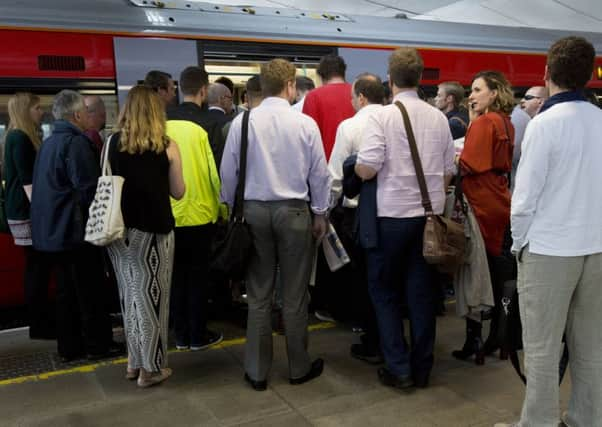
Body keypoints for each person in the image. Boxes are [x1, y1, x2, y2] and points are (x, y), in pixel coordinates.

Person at [497, 36, 602, 427]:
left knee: (541, 350)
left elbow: (524, 199)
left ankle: (537, 423)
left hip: (549, 251)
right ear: (589, 76)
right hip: (597, 248)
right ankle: (586, 420)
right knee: (591, 348)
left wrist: (518, 245)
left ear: (547, 73)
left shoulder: (544, 124)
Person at [220, 58, 330, 391]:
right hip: (295, 213)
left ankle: (256, 372)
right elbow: (319, 174)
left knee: (258, 295)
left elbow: (228, 174)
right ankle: (298, 368)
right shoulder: (305, 124)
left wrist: (231, 207)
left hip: (253, 214)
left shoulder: (242, 122)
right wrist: (320, 212)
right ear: (290, 86)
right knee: (295, 296)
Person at [355, 48, 455, 389]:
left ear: (391, 78)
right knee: (421, 294)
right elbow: (446, 174)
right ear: (421, 76)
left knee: (384, 292)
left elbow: (367, 168)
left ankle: (398, 367)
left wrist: (356, 166)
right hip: (427, 221)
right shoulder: (439, 118)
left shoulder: (381, 117)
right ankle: (423, 368)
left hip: (390, 220)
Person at [31, 90, 120, 362]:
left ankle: (69, 347)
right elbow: (89, 190)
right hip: (75, 233)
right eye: (84, 110)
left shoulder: (48, 143)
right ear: (77, 114)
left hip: (53, 234)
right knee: (89, 291)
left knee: (66, 293)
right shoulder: (76, 143)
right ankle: (98, 345)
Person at [106, 85, 185, 387]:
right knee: (154, 299)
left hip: (118, 233)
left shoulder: (111, 142)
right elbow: (178, 191)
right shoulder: (166, 144)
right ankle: (150, 370)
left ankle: (133, 363)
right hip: (154, 233)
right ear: (157, 112)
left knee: (130, 297)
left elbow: (105, 182)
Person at [452, 71, 515, 364]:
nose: (472, 95)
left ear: (494, 93)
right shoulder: (506, 122)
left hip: (479, 203)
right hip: (499, 198)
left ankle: (473, 339)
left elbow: (469, 163)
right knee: (498, 274)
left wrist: (455, 158)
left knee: (474, 272)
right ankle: (497, 337)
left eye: (477, 89)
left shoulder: (484, 123)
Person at [166, 66, 224, 351]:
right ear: (204, 90)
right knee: (199, 277)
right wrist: (222, 209)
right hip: (201, 214)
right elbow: (216, 173)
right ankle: (198, 334)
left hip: (169, 214)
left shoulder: (162, 122)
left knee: (176, 277)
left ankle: (180, 334)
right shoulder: (208, 124)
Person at [328, 73, 384, 364]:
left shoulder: (349, 126)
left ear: (361, 97)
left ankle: (370, 336)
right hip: (392, 211)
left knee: (364, 279)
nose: (351, 103)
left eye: (352, 97)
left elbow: (335, 176)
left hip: (358, 214)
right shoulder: (393, 119)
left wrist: (324, 210)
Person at [3, 92, 54, 340]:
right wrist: (44, 210)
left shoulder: (13, 136)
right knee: (37, 268)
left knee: (36, 267)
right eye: (36, 108)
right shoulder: (20, 138)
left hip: (20, 210)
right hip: (27, 212)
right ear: (26, 111)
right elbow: (27, 181)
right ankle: (41, 324)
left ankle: (40, 322)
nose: (41, 112)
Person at [302, 54, 355, 160]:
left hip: (326, 163)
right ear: (343, 72)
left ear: (321, 75)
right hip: (356, 163)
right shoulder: (357, 93)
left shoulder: (313, 96)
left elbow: (308, 136)